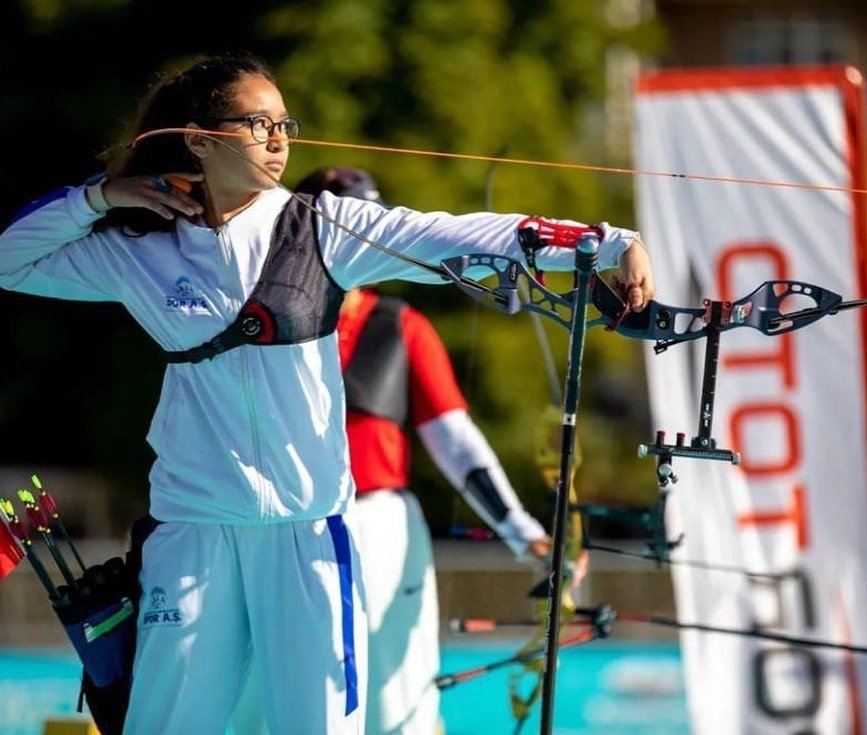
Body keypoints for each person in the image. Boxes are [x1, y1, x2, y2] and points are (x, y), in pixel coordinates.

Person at [0, 51, 654, 735]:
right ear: (199, 138)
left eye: (287, 125)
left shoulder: (322, 224)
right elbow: (11, 261)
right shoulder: (139, 247)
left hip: (306, 529)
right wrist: (102, 198)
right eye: (259, 124)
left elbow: (454, 235)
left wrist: (606, 242)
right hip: (193, 528)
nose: (281, 140)